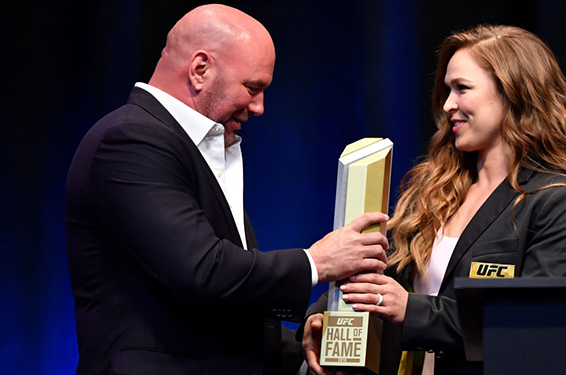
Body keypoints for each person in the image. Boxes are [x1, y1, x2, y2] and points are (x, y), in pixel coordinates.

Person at [65, 4, 390, 375]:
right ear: (200, 69)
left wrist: (300, 347)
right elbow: (202, 271)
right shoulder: (130, 140)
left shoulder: (196, 146)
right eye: (252, 88)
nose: (260, 107)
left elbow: (222, 307)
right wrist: (317, 262)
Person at [302, 25, 566, 375]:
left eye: (462, 89)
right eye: (446, 90)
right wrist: (321, 314)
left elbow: (532, 326)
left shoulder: (561, 202)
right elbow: (382, 273)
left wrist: (410, 311)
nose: (447, 105)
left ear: (513, 93)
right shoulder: (435, 191)